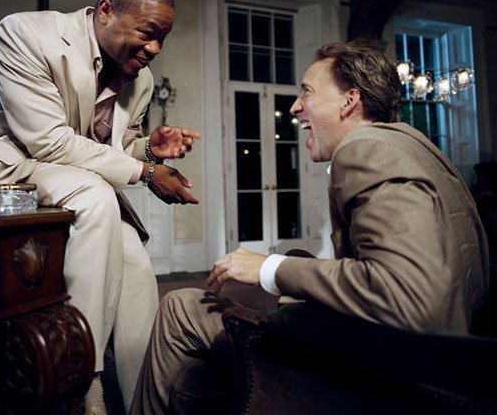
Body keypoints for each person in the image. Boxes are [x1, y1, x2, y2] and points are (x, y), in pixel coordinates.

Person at [130, 40, 489, 415]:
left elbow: (408, 295)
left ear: (349, 100)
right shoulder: (423, 151)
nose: (295, 107)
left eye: (307, 92)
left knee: (180, 306)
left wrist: (271, 268)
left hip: (391, 377)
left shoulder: (366, 148)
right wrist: (301, 270)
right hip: (446, 358)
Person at [0, 0, 201, 415]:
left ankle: (148, 400)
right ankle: (82, 384)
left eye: (162, 38)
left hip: (79, 177)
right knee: (94, 194)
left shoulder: (141, 79)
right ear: (105, 10)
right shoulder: (24, 33)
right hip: (19, 167)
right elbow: (48, 140)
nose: (155, 48)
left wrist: (149, 147)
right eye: (147, 33)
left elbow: (111, 145)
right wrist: (146, 172)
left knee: (136, 264)